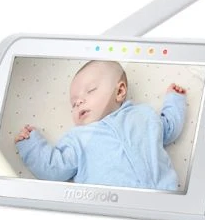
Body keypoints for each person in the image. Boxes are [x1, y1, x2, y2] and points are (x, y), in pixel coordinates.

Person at [15, 60, 186, 190]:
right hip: (113, 207)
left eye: (90, 91)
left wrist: (174, 101)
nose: (79, 102)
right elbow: (54, 168)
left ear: (119, 91)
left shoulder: (143, 114)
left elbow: (168, 129)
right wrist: (31, 145)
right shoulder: (79, 138)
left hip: (165, 195)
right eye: (74, 104)